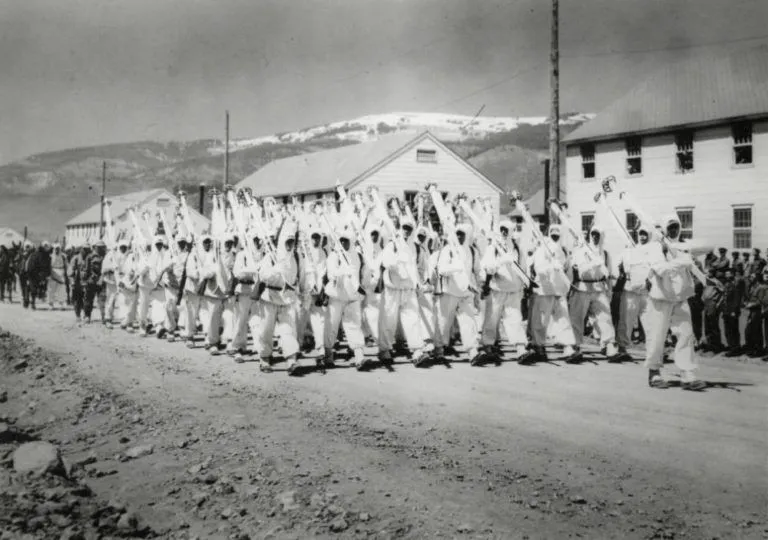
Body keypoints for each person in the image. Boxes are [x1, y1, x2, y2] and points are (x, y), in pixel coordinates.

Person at [644, 215, 706, 391]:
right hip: (661, 297)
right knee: (657, 336)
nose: (674, 230)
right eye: (670, 227)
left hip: (680, 296)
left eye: (676, 226)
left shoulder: (682, 247)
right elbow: (660, 268)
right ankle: (654, 372)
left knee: (686, 334)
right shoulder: (656, 246)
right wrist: (680, 262)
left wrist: (707, 278)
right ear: (664, 228)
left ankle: (687, 373)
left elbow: (692, 267)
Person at [377, 219, 431, 366]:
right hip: (393, 288)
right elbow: (385, 262)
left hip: (408, 289)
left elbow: (416, 268)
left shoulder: (415, 247)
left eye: (409, 228)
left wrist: (418, 284)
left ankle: (417, 350)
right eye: (404, 227)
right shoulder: (392, 244)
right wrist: (396, 262)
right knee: (389, 320)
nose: (406, 230)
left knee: (413, 320)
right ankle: (384, 350)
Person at [524, 225, 578, 364]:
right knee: (541, 320)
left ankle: (568, 346)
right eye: (552, 234)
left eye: (557, 234)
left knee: (563, 319)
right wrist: (551, 267)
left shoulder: (564, 250)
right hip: (545, 289)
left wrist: (567, 286)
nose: (555, 236)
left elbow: (568, 271)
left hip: (559, 290)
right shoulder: (542, 248)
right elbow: (538, 267)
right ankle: (539, 346)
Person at [568, 226, 620, 362]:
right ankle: (575, 346)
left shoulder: (606, 254)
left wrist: (609, 291)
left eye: (598, 235)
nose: (595, 237)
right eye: (593, 234)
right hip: (582, 287)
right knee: (577, 317)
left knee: (605, 318)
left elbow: (608, 273)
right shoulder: (581, 250)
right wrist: (592, 264)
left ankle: (609, 344)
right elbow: (579, 269)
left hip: (599, 288)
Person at [480, 220, 529, 361]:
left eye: (506, 230)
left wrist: (525, 285)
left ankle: (520, 348)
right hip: (497, 290)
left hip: (514, 290)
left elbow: (524, 269)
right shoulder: (493, 247)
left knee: (515, 320)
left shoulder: (518, 249)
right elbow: (486, 266)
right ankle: (487, 346)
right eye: (501, 229)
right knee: (491, 320)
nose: (503, 232)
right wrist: (500, 262)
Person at [323, 227, 371, 370]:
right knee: (331, 326)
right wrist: (343, 270)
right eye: (341, 240)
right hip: (336, 297)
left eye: (346, 240)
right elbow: (331, 274)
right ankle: (328, 355)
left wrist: (362, 288)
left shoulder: (359, 256)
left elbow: (366, 275)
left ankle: (359, 356)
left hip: (352, 297)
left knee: (354, 327)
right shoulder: (334, 256)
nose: (343, 243)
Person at [434, 223, 481, 366]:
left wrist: (478, 286)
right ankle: (439, 350)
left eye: (462, 234)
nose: (460, 237)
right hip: (449, 291)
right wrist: (456, 268)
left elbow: (477, 271)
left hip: (466, 292)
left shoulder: (473, 251)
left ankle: (472, 351)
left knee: (469, 322)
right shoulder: (448, 250)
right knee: (444, 322)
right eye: (457, 234)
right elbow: (441, 269)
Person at [257, 224, 301, 375]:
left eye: (292, 242)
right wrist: (276, 271)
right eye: (287, 242)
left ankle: (290, 359)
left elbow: (301, 277)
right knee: (266, 330)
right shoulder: (271, 256)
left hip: (288, 299)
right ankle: (264, 357)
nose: (290, 245)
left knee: (288, 331)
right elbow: (263, 275)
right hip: (270, 297)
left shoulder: (296, 257)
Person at [617, 225, 653, 358]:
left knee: (651, 322)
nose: (642, 237)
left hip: (646, 292)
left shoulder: (653, 251)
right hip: (630, 291)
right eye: (641, 234)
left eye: (645, 234)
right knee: (626, 320)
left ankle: (654, 350)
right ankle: (622, 348)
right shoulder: (629, 250)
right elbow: (618, 265)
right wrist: (621, 273)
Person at [228, 231, 263, 362]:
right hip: (243, 290)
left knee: (257, 321)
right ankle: (237, 348)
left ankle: (260, 349)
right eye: (255, 240)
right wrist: (254, 269)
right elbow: (238, 272)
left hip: (256, 291)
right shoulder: (242, 255)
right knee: (240, 321)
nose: (257, 243)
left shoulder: (262, 255)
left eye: (258, 240)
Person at [83, 240, 107, 324]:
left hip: (102, 281)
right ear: (96, 247)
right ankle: (87, 316)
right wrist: (86, 280)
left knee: (102, 300)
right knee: (88, 300)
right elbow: (86, 269)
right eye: (99, 247)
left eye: (102, 247)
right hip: (91, 281)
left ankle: (104, 317)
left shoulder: (106, 256)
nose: (101, 249)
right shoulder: (90, 257)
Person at [722, 270, 743, 357]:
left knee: (733, 330)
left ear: (732, 275)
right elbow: (725, 298)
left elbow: (737, 299)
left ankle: (735, 349)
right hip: (726, 311)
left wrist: (734, 311)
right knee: (727, 330)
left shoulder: (735, 284)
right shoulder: (727, 284)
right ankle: (731, 347)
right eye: (726, 274)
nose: (726, 275)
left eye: (728, 274)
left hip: (732, 311)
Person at [68, 243, 90, 321]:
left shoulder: (90, 258)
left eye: (87, 249)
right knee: (77, 300)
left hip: (87, 282)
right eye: (84, 249)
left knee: (87, 300)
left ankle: (86, 315)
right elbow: (71, 271)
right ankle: (78, 315)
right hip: (77, 283)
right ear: (81, 249)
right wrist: (72, 282)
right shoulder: (76, 258)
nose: (86, 251)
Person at [47, 243, 68, 309]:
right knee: (51, 289)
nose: (57, 250)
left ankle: (62, 303)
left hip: (61, 272)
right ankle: (51, 304)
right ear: (53, 249)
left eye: (58, 248)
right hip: (52, 272)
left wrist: (66, 273)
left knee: (61, 289)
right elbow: (48, 266)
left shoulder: (63, 256)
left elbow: (66, 265)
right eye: (55, 248)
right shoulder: (50, 256)